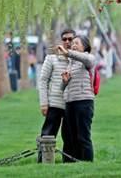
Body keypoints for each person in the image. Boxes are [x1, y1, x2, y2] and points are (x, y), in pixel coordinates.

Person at [37, 29, 74, 163]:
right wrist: (43, 103)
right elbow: (43, 80)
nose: (67, 42)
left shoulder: (76, 59)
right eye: (64, 39)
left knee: (69, 136)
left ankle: (69, 162)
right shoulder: (51, 58)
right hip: (54, 103)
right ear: (61, 41)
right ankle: (43, 161)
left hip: (71, 103)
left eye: (70, 39)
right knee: (48, 133)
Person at [58, 35, 96, 162]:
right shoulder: (69, 64)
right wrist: (64, 82)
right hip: (70, 103)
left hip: (84, 102)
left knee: (83, 136)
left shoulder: (88, 59)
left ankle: (87, 163)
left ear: (84, 46)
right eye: (72, 43)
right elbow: (62, 88)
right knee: (70, 137)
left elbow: (88, 60)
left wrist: (68, 52)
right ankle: (73, 163)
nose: (73, 45)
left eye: (76, 43)